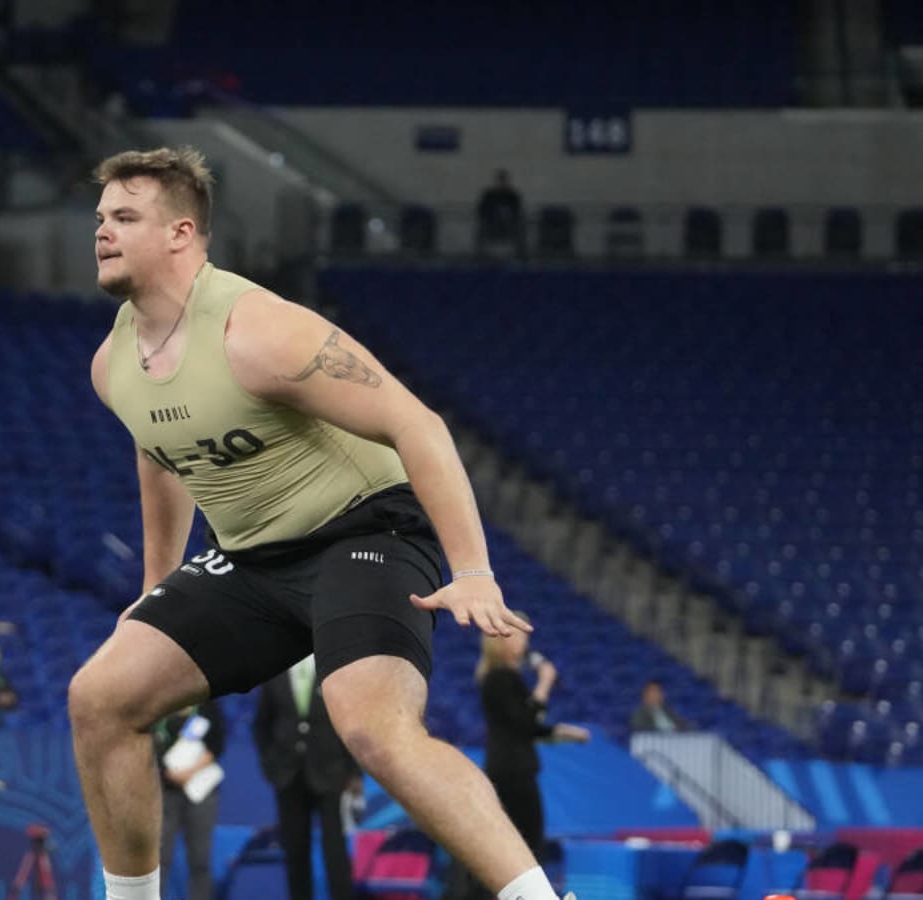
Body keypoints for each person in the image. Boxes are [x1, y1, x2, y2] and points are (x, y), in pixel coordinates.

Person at [67, 145, 567, 900]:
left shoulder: (260, 331)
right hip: (250, 559)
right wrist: (156, 586)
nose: (101, 231)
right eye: (101, 218)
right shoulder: (114, 365)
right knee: (100, 698)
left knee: (373, 729)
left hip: (367, 533)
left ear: (181, 233)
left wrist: (473, 569)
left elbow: (420, 426)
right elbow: (162, 453)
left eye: (125, 217)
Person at [475, 617, 589, 866]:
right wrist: (545, 682)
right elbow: (527, 721)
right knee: (528, 843)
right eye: (516, 635)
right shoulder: (500, 677)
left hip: (509, 769)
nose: (524, 641)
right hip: (513, 772)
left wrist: (565, 732)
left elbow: (530, 727)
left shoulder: (506, 678)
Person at [254, 655, 362, 900]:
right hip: (288, 776)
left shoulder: (334, 667)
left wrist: (353, 771)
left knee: (335, 851)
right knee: (295, 850)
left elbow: (351, 723)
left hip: (331, 775)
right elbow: (261, 724)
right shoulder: (275, 670)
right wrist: (270, 765)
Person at [154, 700, 226, 900]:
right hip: (165, 792)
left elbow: (218, 742)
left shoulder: (208, 704)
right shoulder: (158, 703)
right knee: (160, 860)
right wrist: (168, 772)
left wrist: (191, 771)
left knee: (200, 860)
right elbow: (148, 745)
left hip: (200, 790)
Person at [475, 170, 525, 257]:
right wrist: (493, 213)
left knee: (520, 228)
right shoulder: (489, 195)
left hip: (509, 223)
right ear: (496, 181)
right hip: (491, 222)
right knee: (481, 229)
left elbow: (518, 210)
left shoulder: (512, 195)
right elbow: (481, 209)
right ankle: (480, 255)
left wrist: (508, 214)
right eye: (500, 181)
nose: (502, 183)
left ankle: (521, 255)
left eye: (503, 181)